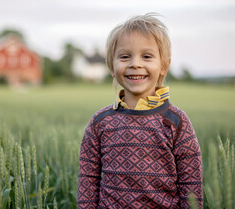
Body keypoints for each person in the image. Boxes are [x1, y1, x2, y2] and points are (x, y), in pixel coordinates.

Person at [77, 13, 203, 208]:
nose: (135, 64)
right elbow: (87, 180)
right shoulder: (99, 122)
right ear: (112, 65)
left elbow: (191, 186)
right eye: (125, 56)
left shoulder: (176, 121)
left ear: (164, 66)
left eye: (147, 56)